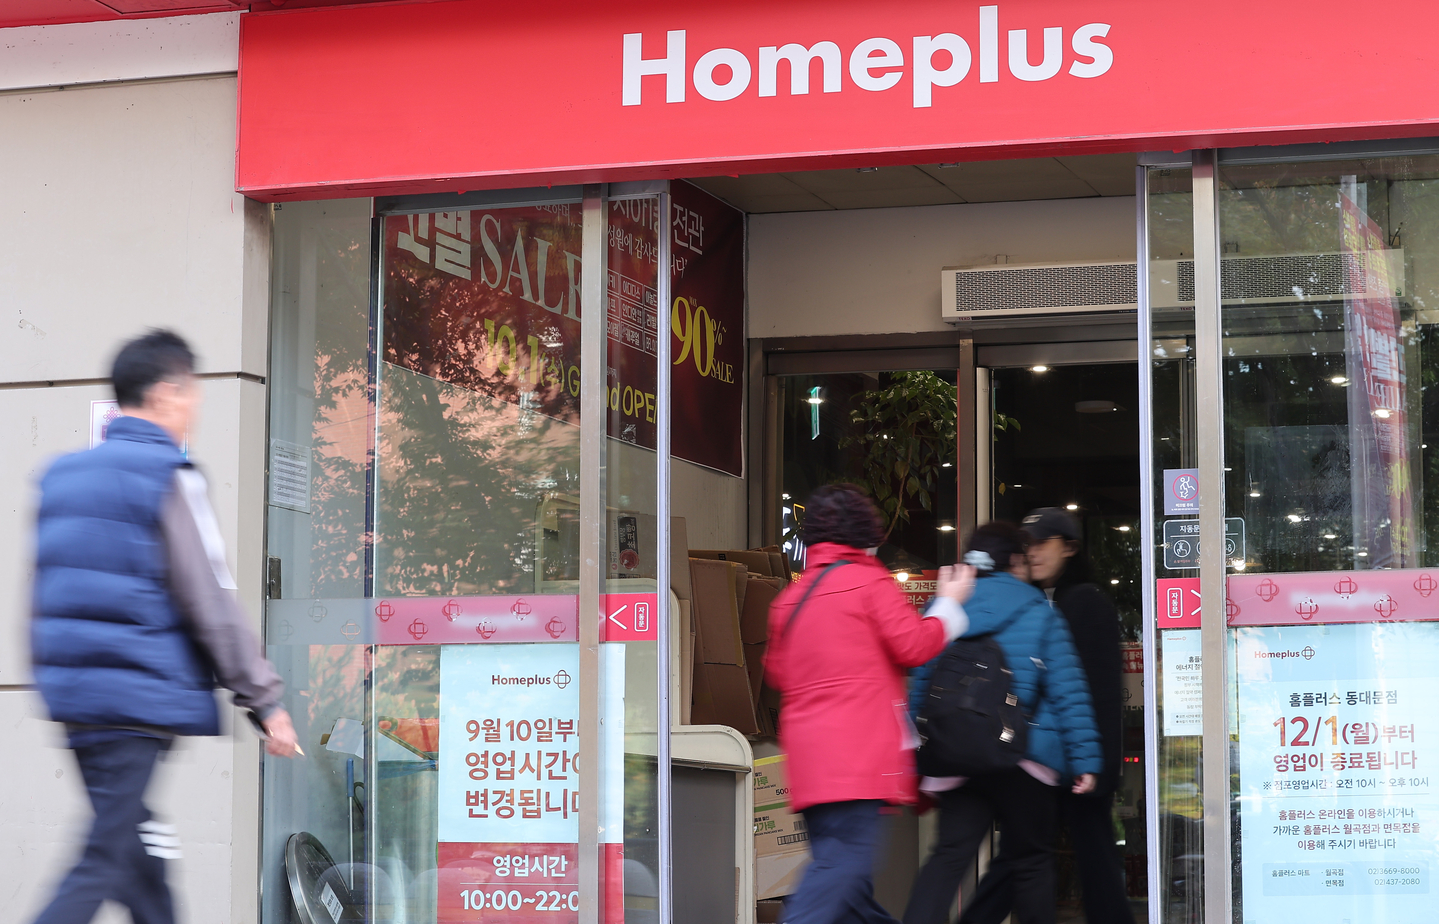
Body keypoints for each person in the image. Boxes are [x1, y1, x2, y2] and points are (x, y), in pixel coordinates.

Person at [29, 330, 299, 924]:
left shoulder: (62, 476)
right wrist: (264, 701)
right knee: (103, 858)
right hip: (136, 705)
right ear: (167, 394)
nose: (195, 408)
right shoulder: (170, 476)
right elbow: (210, 600)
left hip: (79, 705)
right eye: (193, 394)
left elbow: (44, 591)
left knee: (139, 860)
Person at [765, 484, 974, 924]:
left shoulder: (790, 599)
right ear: (865, 531)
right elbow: (914, 645)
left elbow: (778, 674)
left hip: (809, 764)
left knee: (851, 891)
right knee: (843, 870)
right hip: (856, 759)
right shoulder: (868, 582)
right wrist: (950, 605)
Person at [903, 522, 1102, 924]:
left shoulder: (945, 608)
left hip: (958, 755)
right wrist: (1085, 761)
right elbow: (1068, 691)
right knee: (1031, 863)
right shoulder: (1039, 611)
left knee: (947, 859)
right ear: (1015, 560)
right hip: (1023, 758)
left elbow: (921, 683)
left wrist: (914, 749)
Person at [954, 509, 1135, 924]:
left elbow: (1098, 693)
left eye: (1043, 542)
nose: (1033, 552)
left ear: (1068, 547)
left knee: (1074, 866)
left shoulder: (1084, 602)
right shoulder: (1049, 601)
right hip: (1056, 762)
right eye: (1028, 544)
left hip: (1076, 767)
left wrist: (1098, 769)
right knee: (1031, 859)